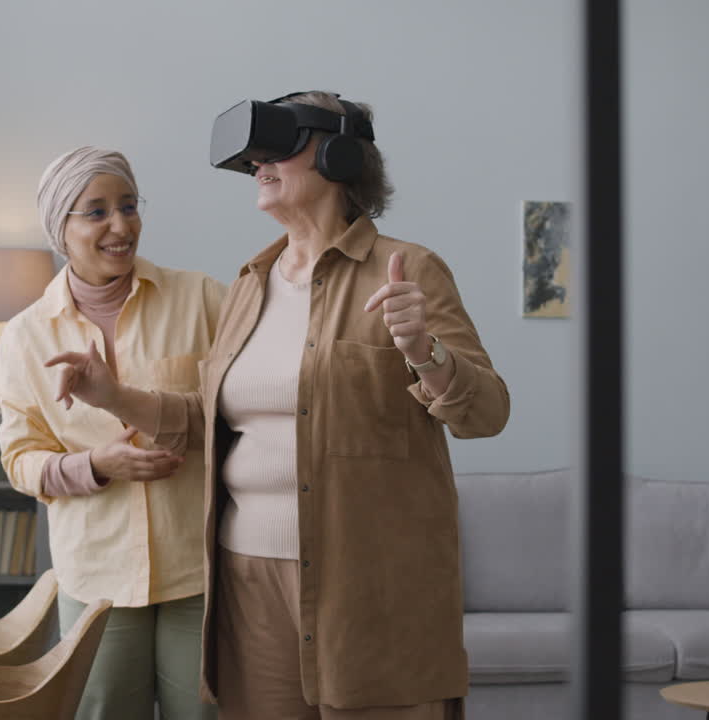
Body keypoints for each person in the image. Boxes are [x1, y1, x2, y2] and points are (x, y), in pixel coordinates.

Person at [46, 93, 509, 719]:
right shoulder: (249, 284)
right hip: (247, 582)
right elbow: (211, 420)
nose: (260, 164)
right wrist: (112, 396)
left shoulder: (409, 270)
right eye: (255, 156)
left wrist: (425, 352)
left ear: (341, 156)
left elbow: (487, 414)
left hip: (368, 584)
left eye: (281, 147)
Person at [0, 146, 224, 720]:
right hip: (96, 573)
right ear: (60, 230)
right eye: (96, 212)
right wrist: (94, 466)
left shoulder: (203, 299)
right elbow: (20, 459)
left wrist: (138, 405)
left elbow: (237, 412)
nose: (121, 226)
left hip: (198, 568)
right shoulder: (25, 336)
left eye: (129, 206)